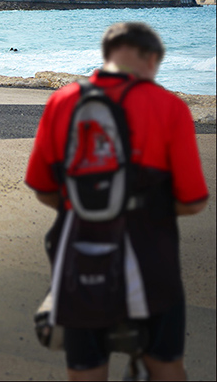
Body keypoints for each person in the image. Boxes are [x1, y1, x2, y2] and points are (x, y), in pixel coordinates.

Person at [25, 22, 208, 382]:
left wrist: (89, 205)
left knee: (85, 371)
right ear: (152, 58)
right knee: (166, 366)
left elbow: (43, 187)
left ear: (107, 54)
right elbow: (193, 201)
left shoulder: (63, 101)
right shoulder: (168, 107)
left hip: (80, 257)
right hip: (152, 259)